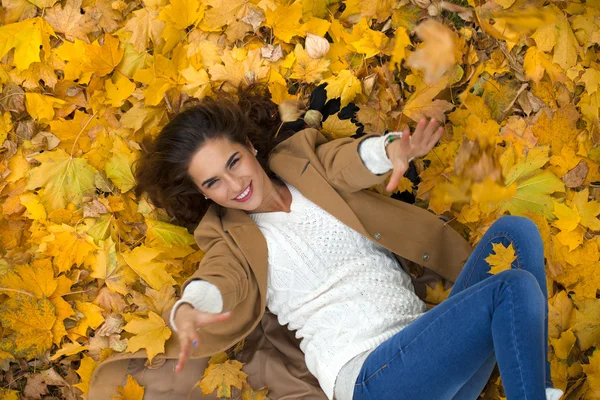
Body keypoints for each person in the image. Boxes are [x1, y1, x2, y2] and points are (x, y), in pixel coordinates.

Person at [133, 84, 564, 400]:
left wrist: (391, 148)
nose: (235, 183)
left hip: (429, 354)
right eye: (214, 182)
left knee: (515, 233)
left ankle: (533, 386)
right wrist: (190, 307)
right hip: (369, 377)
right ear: (204, 194)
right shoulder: (228, 236)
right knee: (514, 287)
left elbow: (351, 162)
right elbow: (218, 277)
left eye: (234, 162)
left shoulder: (302, 162)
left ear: (250, 147)